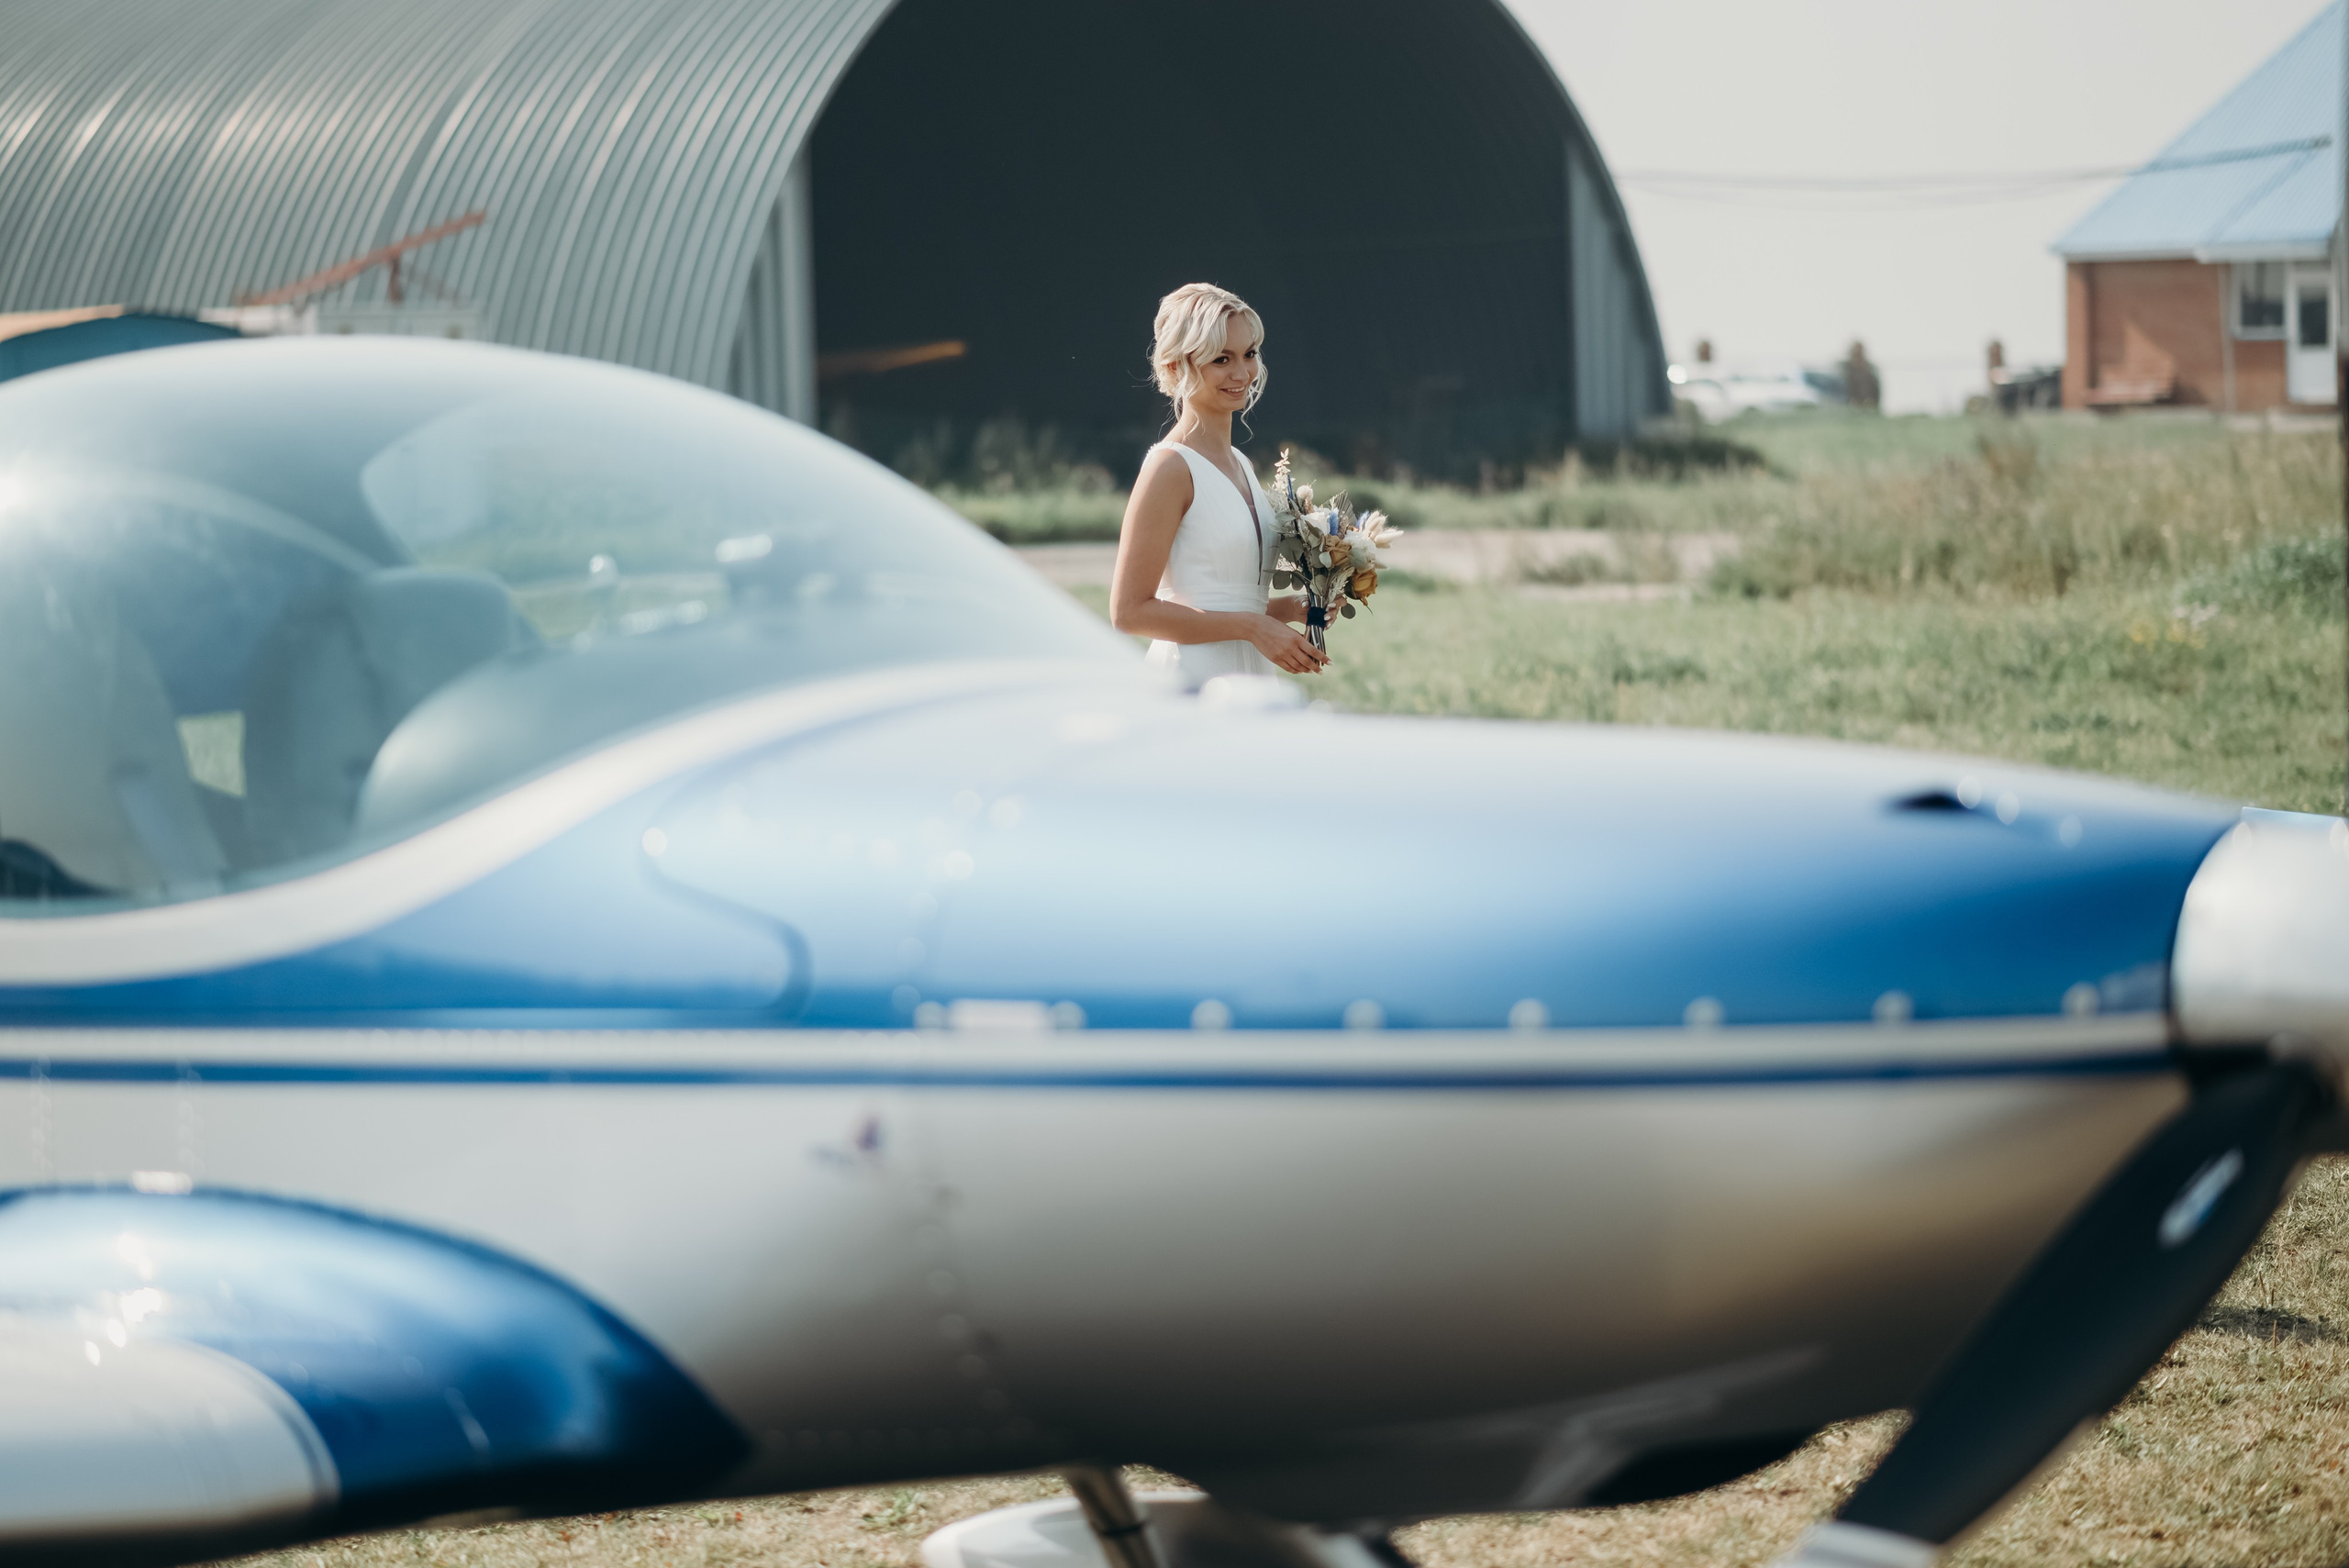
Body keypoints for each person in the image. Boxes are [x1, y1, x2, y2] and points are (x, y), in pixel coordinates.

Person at [1110, 284, 1326, 685]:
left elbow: (1225, 598)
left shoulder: (1240, 462)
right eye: (1221, 359)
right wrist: (1252, 628)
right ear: (1176, 367)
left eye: (1249, 354)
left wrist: (1291, 608)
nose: (1242, 373)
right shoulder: (1169, 467)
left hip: (1251, 679)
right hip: (1193, 681)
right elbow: (1129, 613)